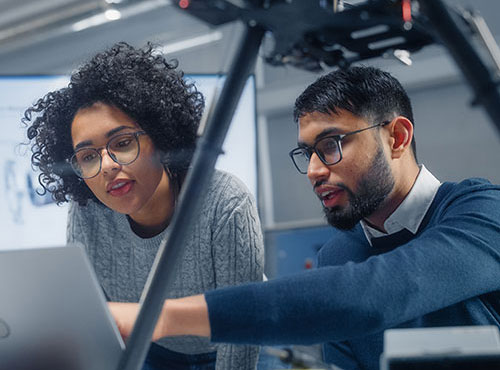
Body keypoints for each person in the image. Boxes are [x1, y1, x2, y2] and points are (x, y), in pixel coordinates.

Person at [110, 66, 500, 370]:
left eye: (331, 145)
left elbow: (367, 296)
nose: (314, 169)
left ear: (396, 138)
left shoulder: (481, 213)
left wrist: (163, 317)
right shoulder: (339, 253)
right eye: (307, 152)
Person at [23, 42, 264, 370]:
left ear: (161, 138)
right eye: (88, 156)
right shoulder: (88, 214)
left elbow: (241, 331)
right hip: (153, 354)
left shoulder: (225, 202)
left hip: (239, 348)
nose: (106, 165)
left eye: (122, 143)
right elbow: (95, 330)